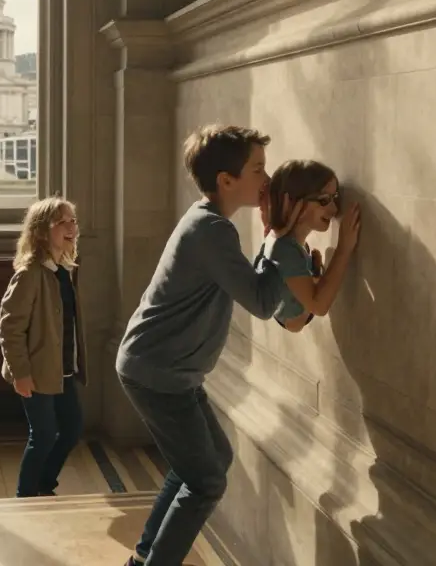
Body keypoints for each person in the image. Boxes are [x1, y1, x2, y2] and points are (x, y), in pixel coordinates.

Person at [114, 124, 302, 566]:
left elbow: (253, 285)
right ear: (226, 181)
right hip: (158, 373)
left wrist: (277, 245)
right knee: (207, 481)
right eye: (258, 169)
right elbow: (260, 300)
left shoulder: (209, 223)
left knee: (211, 459)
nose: (267, 180)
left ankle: (142, 560)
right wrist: (285, 237)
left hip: (167, 371)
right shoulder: (211, 230)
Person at [0, 196, 86, 498]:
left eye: (73, 220)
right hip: (36, 371)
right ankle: (27, 494)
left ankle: (44, 484)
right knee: (45, 434)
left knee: (72, 429)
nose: (71, 226)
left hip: (62, 369)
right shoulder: (30, 274)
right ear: (40, 230)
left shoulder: (65, 270)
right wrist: (20, 372)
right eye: (63, 221)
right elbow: (10, 327)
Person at [263, 159, 361, 333]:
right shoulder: (284, 249)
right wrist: (344, 248)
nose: (334, 209)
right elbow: (319, 306)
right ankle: (313, 277)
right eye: (324, 200)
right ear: (292, 202)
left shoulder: (285, 240)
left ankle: (313, 276)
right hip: (292, 318)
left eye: (334, 199)